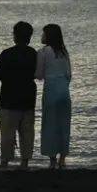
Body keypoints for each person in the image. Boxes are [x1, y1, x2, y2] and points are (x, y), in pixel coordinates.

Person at [0, 21, 37, 169]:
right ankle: (25, 162)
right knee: (27, 133)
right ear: (29, 37)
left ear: (15, 36)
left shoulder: (7, 53)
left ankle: (5, 162)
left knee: (7, 134)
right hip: (28, 98)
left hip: (8, 98)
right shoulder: (33, 54)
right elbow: (37, 73)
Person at [36, 24, 72, 169]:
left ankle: (52, 159)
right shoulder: (64, 52)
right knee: (64, 124)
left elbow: (38, 74)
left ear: (48, 36)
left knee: (50, 124)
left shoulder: (43, 52)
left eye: (43, 34)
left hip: (51, 90)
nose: (41, 36)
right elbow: (69, 74)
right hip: (64, 90)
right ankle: (62, 158)